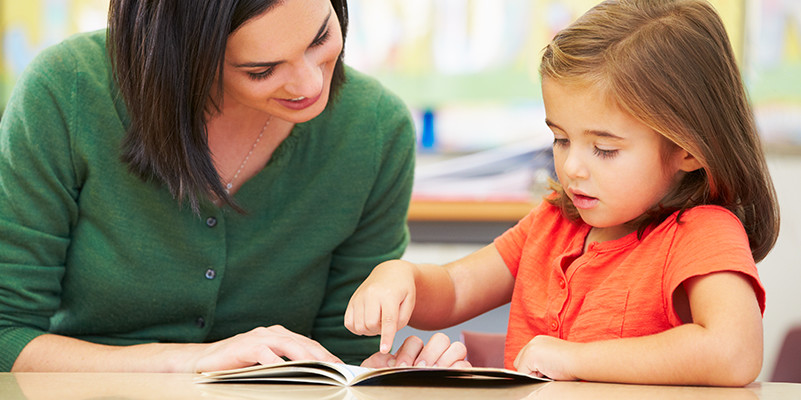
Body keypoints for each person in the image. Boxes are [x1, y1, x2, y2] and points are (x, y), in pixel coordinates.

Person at [0, 0, 461, 373]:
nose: (310, 81)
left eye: (321, 36)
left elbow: (342, 355)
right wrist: (188, 362)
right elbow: (7, 335)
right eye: (261, 70)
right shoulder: (69, 91)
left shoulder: (375, 128)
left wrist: (382, 372)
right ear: (181, 59)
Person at [345, 0, 780, 386]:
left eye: (604, 149)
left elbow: (733, 353)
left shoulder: (702, 233)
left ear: (687, 149)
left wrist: (575, 358)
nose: (572, 167)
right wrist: (400, 278)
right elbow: (457, 288)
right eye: (561, 139)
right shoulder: (554, 222)